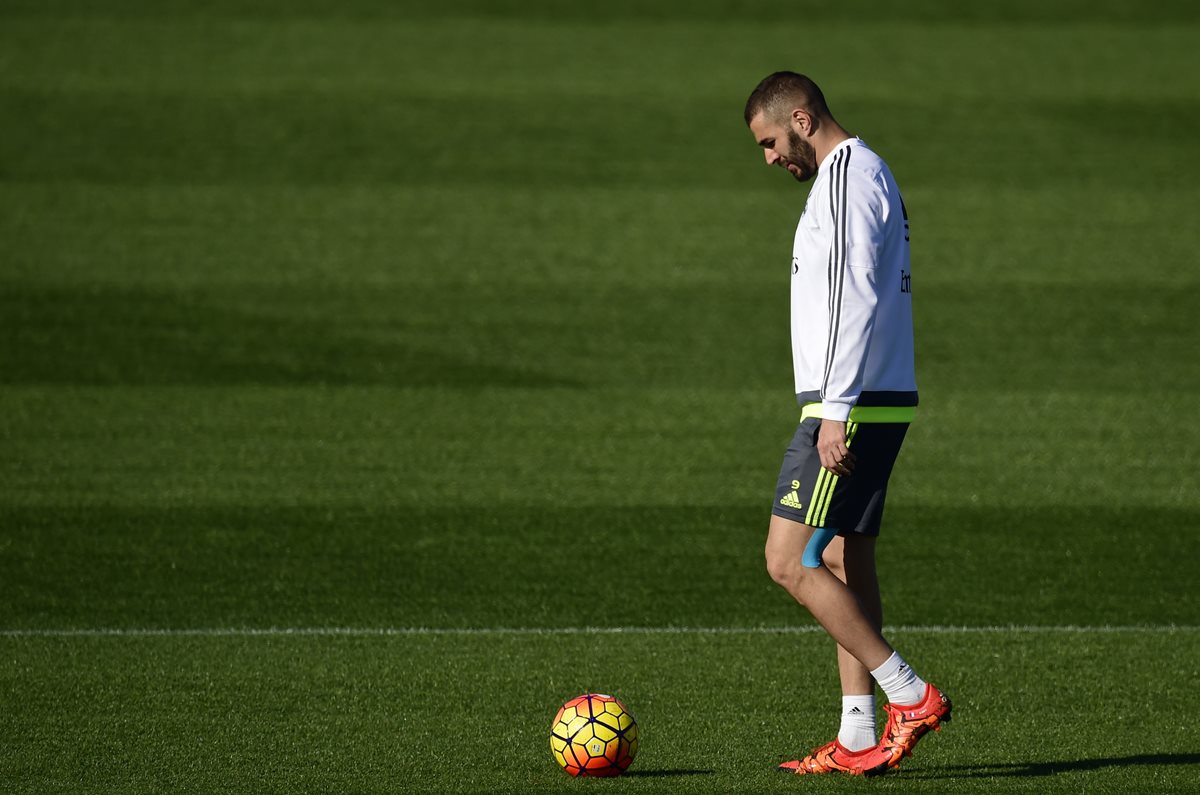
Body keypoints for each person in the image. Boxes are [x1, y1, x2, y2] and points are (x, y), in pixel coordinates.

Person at [743, 71, 951, 776]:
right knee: (840, 556)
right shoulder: (869, 173)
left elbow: (852, 295)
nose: (770, 159)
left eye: (770, 141)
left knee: (785, 559)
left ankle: (909, 693)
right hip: (877, 396)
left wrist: (833, 411)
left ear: (801, 119)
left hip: (851, 405)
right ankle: (858, 733)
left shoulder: (843, 178)